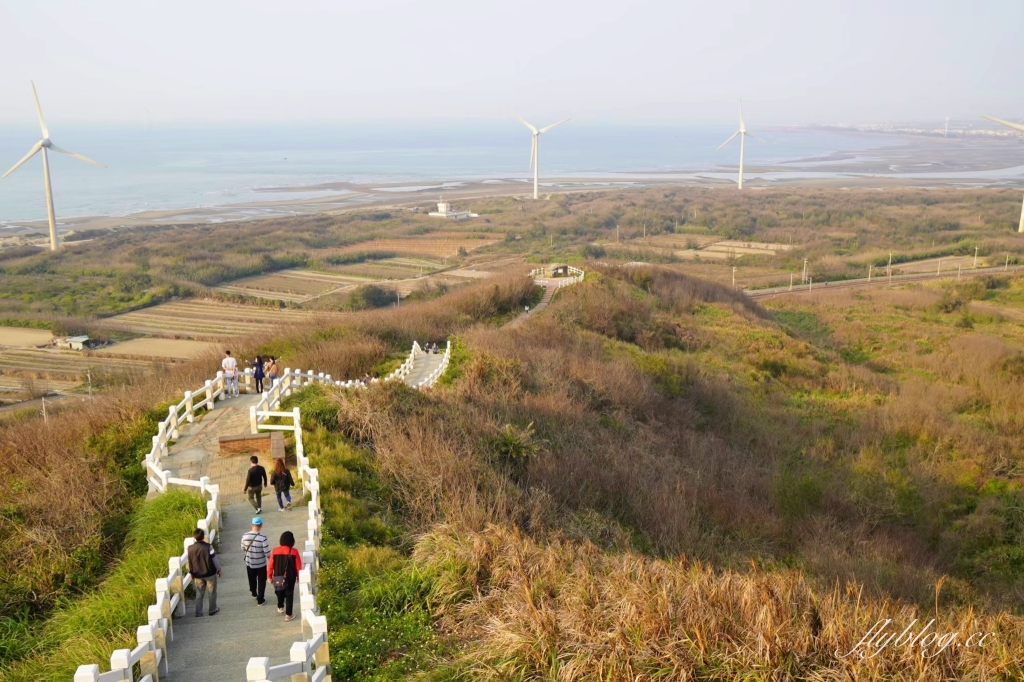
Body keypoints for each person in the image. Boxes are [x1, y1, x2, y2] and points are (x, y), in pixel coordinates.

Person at [268, 530, 303, 622]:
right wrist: (299, 578)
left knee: (279, 590)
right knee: (289, 593)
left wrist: (269, 576)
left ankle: (280, 606)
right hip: (290, 576)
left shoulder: (275, 550)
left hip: (277, 575)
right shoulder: (294, 551)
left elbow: (271, 564)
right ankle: (289, 614)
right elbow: (298, 566)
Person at [187, 528, 222, 617]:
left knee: (199, 593)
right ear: (203, 537)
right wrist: (219, 569)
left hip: (197, 574)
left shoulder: (190, 548)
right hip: (210, 573)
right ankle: (212, 610)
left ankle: (198, 612)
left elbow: (190, 562)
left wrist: (191, 573)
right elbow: (214, 559)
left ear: (194, 537)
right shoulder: (208, 547)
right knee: (212, 592)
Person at [241, 516, 271, 605]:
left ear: (252, 525)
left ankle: (254, 593)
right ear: (261, 526)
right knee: (261, 581)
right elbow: (267, 553)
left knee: (252, 579)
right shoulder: (263, 538)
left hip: (249, 562)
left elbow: (243, 548)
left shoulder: (245, 536)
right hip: (261, 564)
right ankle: (260, 599)